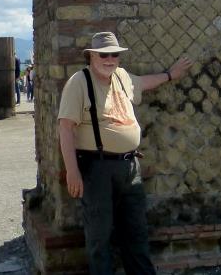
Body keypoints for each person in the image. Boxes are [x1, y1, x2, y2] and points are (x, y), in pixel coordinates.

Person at [57, 32, 194, 275]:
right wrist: (72, 172)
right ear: (91, 56)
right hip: (96, 167)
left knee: (136, 231)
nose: (109, 59)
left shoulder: (120, 76)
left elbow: (142, 82)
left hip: (130, 167)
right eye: (104, 54)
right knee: (100, 235)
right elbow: (66, 128)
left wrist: (170, 75)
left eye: (114, 55)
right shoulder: (79, 82)